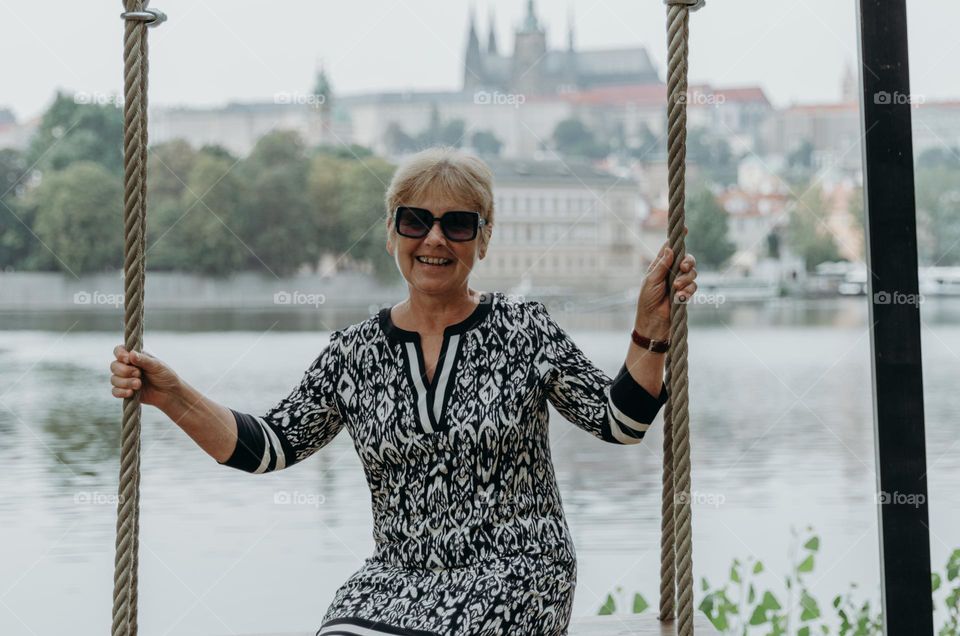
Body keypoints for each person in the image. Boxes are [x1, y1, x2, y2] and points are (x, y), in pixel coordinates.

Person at [109, 146, 698, 636]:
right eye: (415, 220)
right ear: (391, 233)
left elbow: (622, 424)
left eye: (458, 224)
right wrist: (173, 396)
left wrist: (650, 325)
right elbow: (270, 447)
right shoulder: (355, 353)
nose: (434, 239)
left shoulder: (525, 330)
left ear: (483, 240)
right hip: (397, 577)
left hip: (520, 576)